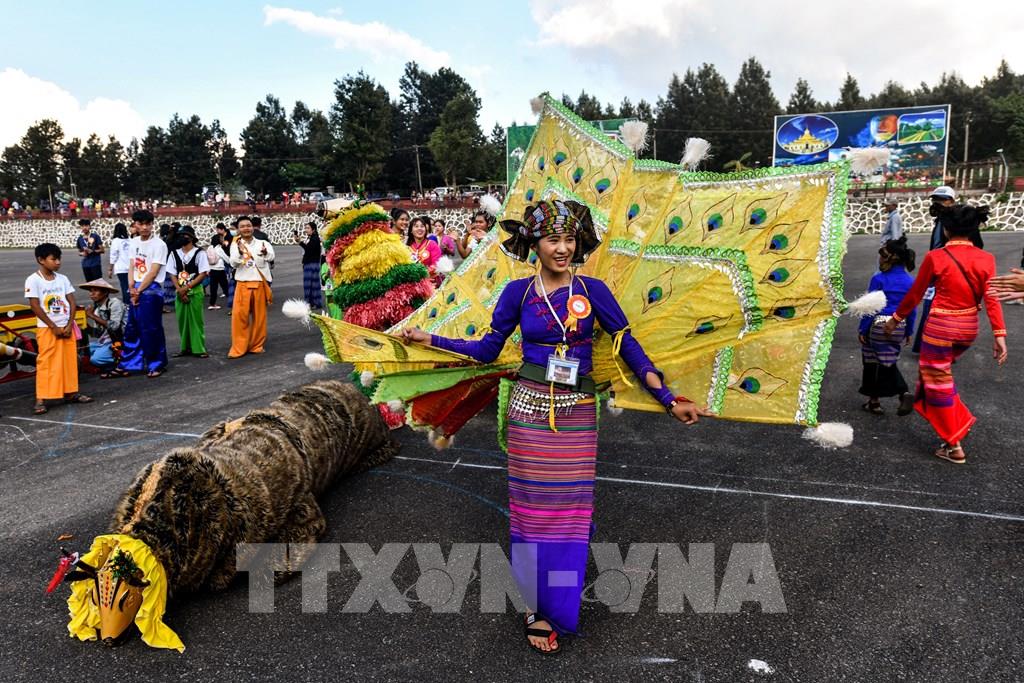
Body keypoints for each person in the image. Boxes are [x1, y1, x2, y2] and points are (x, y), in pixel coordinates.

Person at [402, 199, 705, 654]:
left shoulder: (593, 290)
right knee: (532, 513)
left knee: (569, 514)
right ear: (534, 245)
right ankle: (535, 607)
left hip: (577, 413)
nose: (562, 248)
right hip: (528, 412)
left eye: (569, 240)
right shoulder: (517, 294)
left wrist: (669, 399)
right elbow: (486, 350)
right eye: (552, 240)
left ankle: (559, 600)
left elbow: (628, 346)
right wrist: (430, 338)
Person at [883, 204, 1008, 464]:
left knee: (937, 382)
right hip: (968, 329)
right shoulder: (986, 258)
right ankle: (955, 425)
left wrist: (895, 320)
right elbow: (992, 298)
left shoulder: (935, 257)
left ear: (946, 229)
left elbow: (915, 294)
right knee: (935, 378)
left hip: (940, 328)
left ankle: (954, 443)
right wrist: (999, 334)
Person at [25, 243, 93, 413]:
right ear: (41, 260)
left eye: (59, 259)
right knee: (46, 362)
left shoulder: (62, 279)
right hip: (48, 328)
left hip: (66, 326)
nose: (58, 262)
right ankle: (41, 398)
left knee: (69, 361)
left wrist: (69, 324)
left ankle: (71, 393)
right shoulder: (33, 280)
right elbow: (35, 306)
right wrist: (53, 326)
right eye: (53, 259)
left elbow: (72, 302)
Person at [858, 237, 917, 416]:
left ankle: (902, 393)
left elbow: (870, 307)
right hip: (899, 324)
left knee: (874, 362)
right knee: (886, 360)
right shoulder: (910, 281)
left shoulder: (879, 279)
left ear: (886, 258)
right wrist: (908, 330)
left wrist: (862, 329)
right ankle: (874, 401)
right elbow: (911, 309)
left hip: (877, 326)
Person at [112, 209, 169, 378]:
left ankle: (156, 363)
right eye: (141, 224)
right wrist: (131, 286)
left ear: (152, 225)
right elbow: (132, 266)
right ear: (135, 225)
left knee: (151, 329)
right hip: (136, 287)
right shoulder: (133, 242)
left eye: (148, 224)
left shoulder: (159, 245)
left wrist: (138, 291)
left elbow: (153, 272)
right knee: (132, 328)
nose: (144, 227)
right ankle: (129, 363)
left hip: (151, 290)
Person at [228, 216, 274, 358]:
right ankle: (239, 347)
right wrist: (240, 253)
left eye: (248, 225)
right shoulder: (235, 245)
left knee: (259, 318)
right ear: (238, 229)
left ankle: (256, 345)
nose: (246, 228)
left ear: (252, 227)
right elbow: (233, 263)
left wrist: (265, 253)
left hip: (259, 283)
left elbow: (271, 257)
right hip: (243, 284)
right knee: (239, 318)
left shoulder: (263, 243)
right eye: (242, 226)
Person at [165, 225, 210, 358]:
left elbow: (202, 273)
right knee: (182, 321)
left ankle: (199, 348)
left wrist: (187, 288)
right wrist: (179, 290)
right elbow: (172, 273)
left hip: (195, 290)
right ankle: (185, 347)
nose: (182, 238)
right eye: (180, 235)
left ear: (191, 238)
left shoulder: (199, 253)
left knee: (196, 320)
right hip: (180, 291)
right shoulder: (174, 254)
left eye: (184, 235)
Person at [80, 278, 125, 374]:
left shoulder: (114, 303)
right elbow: (98, 334)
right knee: (84, 350)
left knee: (95, 359)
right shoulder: (97, 309)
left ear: (105, 292)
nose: (92, 294)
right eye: (91, 291)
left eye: (95, 291)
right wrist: (84, 324)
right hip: (106, 341)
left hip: (120, 340)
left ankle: (124, 359)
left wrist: (92, 316)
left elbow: (114, 326)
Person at [294, 221, 323, 308]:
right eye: (305, 228)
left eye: (308, 228)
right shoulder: (312, 238)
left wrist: (300, 242)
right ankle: (314, 302)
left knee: (310, 285)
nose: (306, 230)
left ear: (313, 230)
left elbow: (309, 250)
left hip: (311, 264)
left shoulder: (315, 239)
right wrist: (300, 242)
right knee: (313, 284)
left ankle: (312, 303)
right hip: (311, 263)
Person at [406, 216, 443, 280]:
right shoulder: (407, 247)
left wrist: (421, 274)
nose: (419, 228)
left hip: (431, 282)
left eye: (422, 226)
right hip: (412, 283)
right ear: (411, 230)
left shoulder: (432, 244)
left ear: (425, 230)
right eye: (416, 226)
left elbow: (437, 263)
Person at [108, 222, 132, 301]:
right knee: (131, 286)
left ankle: (127, 303)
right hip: (131, 267)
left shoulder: (116, 241)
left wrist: (110, 269)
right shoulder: (130, 240)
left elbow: (113, 256)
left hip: (121, 268)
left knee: (125, 287)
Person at [206, 234, 230, 310]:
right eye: (221, 238)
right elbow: (227, 259)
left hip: (212, 270)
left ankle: (212, 304)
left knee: (213, 288)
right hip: (220, 270)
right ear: (218, 240)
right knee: (225, 287)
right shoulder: (219, 248)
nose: (223, 240)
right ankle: (232, 302)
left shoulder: (210, 247)